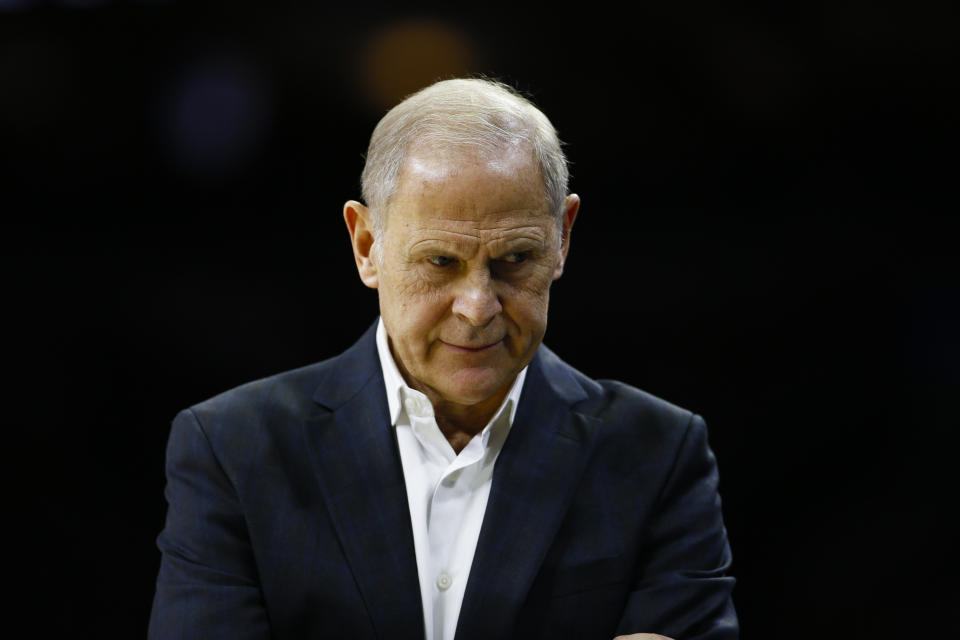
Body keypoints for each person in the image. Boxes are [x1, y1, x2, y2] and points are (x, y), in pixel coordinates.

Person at [148, 78, 738, 640]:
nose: (478, 307)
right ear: (366, 246)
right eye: (440, 262)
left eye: (515, 258)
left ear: (563, 238)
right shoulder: (232, 449)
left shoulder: (658, 456)